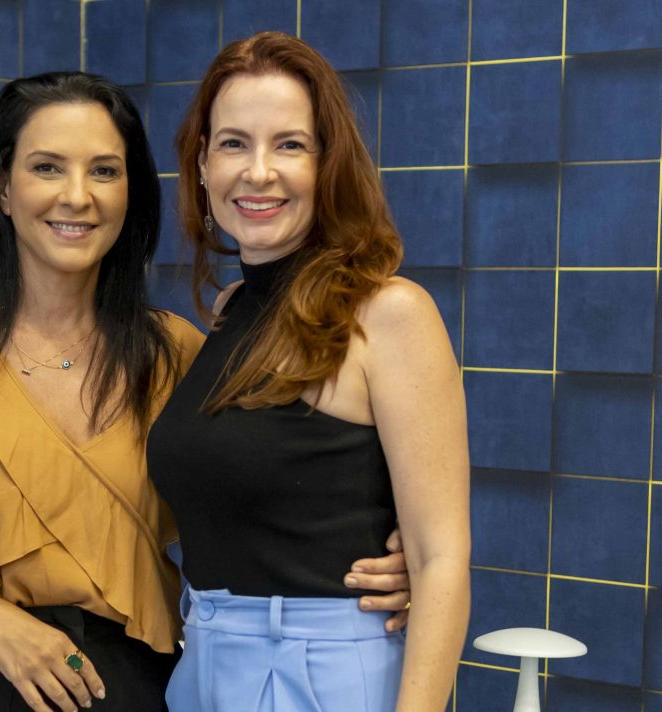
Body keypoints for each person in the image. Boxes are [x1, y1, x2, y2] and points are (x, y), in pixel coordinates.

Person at [0, 71, 412, 712]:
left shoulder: (175, 353)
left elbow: (265, 487)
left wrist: (388, 558)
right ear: (3, 188)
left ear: (130, 193)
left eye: (104, 171)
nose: (77, 196)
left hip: (134, 684)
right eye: (47, 167)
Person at [148, 32, 470, 711]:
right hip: (204, 664)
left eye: (289, 144)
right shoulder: (232, 310)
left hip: (322, 676)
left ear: (328, 164)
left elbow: (440, 560)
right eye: (233, 143)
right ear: (202, 163)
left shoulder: (388, 313)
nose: (258, 171)